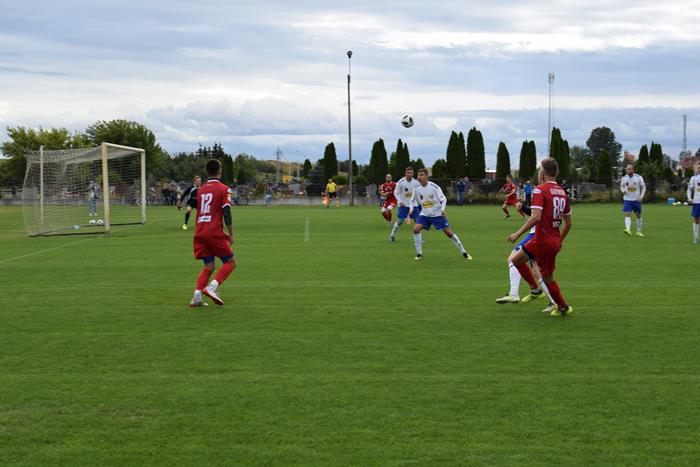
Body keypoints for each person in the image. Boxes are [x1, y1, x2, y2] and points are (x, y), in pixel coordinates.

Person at [507, 158, 573, 317]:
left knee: (543, 275)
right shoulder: (562, 192)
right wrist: (560, 241)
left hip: (542, 241)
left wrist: (518, 233)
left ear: (543, 172)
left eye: (539, 170)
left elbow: (536, 217)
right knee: (521, 263)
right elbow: (569, 223)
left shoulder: (540, 190)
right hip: (552, 240)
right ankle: (555, 302)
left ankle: (558, 303)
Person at [190, 159, 236, 307]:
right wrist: (230, 233)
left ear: (206, 172)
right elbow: (226, 211)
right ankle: (211, 288)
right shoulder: (224, 189)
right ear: (220, 171)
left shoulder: (201, 189)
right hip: (213, 232)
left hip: (199, 232)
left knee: (209, 266)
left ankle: (197, 296)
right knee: (230, 262)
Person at [496, 202, 556, 312]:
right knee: (536, 270)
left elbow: (536, 215)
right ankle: (540, 294)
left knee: (512, 260)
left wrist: (523, 207)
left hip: (535, 235)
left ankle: (514, 293)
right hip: (542, 234)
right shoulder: (553, 193)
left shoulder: (541, 191)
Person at [409, 169, 472, 261]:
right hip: (425, 215)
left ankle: (464, 252)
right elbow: (412, 200)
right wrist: (411, 208)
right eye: (418, 175)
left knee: (449, 233)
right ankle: (419, 253)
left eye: (421, 175)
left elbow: (444, 199)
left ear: (426, 176)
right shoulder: (416, 188)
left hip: (437, 215)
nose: (419, 177)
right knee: (416, 229)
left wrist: (442, 210)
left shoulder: (434, 187)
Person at [389, 166, 421, 242]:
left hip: (414, 205)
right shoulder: (400, 182)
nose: (409, 174)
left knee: (418, 222)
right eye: (408, 173)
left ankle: (418, 239)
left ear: (413, 174)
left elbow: (419, 193)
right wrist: (399, 201)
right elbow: (396, 192)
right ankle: (392, 236)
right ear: (405, 173)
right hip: (404, 205)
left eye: (411, 173)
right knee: (400, 221)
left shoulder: (416, 183)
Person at [620, 163, 646, 237]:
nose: (628, 170)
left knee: (638, 215)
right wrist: (623, 191)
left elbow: (644, 187)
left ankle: (639, 231)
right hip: (627, 199)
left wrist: (641, 196)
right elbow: (621, 186)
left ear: (633, 169)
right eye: (627, 169)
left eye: (629, 169)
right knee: (628, 213)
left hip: (636, 199)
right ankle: (628, 229)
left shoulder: (638, 177)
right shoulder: (624, 178)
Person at [688, 161, 700, 244]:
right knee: (696, 219)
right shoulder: (694, 178)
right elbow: (689, 189)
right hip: (697, 201)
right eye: (698, 167)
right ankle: (695, 237)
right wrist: (689, 198)